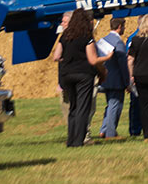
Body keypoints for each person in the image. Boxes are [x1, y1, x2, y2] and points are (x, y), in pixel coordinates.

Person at [52, 8, 110, 147]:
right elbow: (92, 60)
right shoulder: (87, 36)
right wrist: (108, 57)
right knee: (83, 108)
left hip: (67, 75)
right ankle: (79, 140)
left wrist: (68, 61)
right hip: (83, 75)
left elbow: (56, 56)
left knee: (73, 108)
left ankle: (71, 140)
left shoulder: (65, 35)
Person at [98, 18, 130, 139]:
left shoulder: (102, 40)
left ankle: (104, 129)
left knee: (110, 105)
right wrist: (127, 82)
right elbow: (123, 64)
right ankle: (110, 133)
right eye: (124, 26)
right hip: (116, 80)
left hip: (105, 78)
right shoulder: (118, 42)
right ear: (120, 26)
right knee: (115, 105)